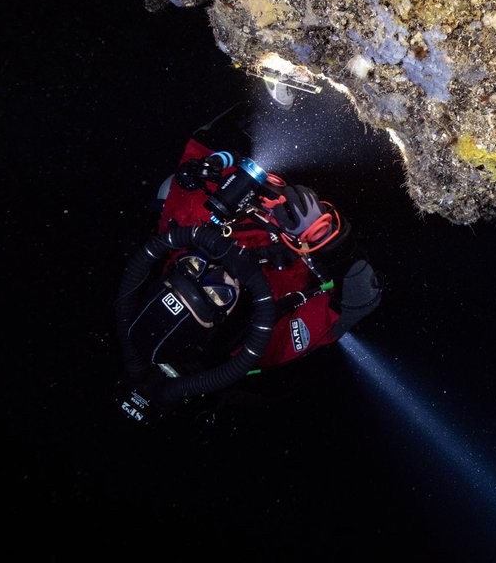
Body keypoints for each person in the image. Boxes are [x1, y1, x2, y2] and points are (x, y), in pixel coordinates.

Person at [113, 103, 381, 422]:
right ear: (221, 323)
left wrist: (218, 157)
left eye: (191, 270)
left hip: (282, 140)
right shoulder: (266, 342)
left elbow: (208, 136)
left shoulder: (182, 221)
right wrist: (331, 243)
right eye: (216, 295)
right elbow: (358, 305)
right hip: (352, 192)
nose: (217, 273)